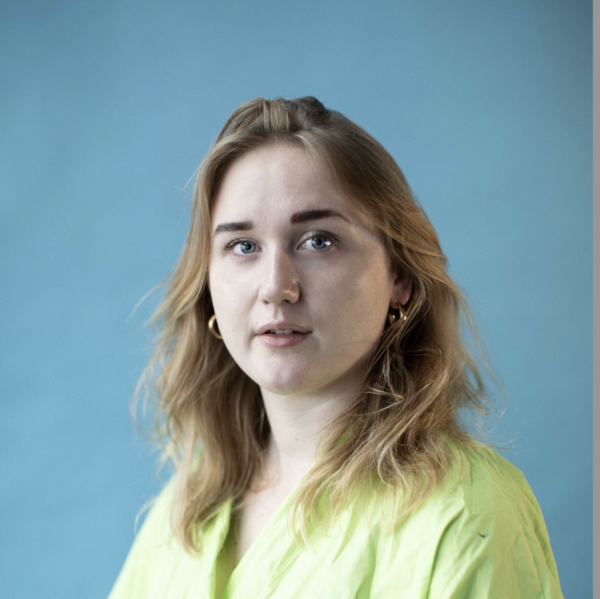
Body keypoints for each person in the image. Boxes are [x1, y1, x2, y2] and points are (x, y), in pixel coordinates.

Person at [109, 96, 564, 598]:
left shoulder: (467, 508)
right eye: (243, 246)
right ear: (209, 282)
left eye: (318, 241)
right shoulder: (186, 512)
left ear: (401, 279)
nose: (275, 286)